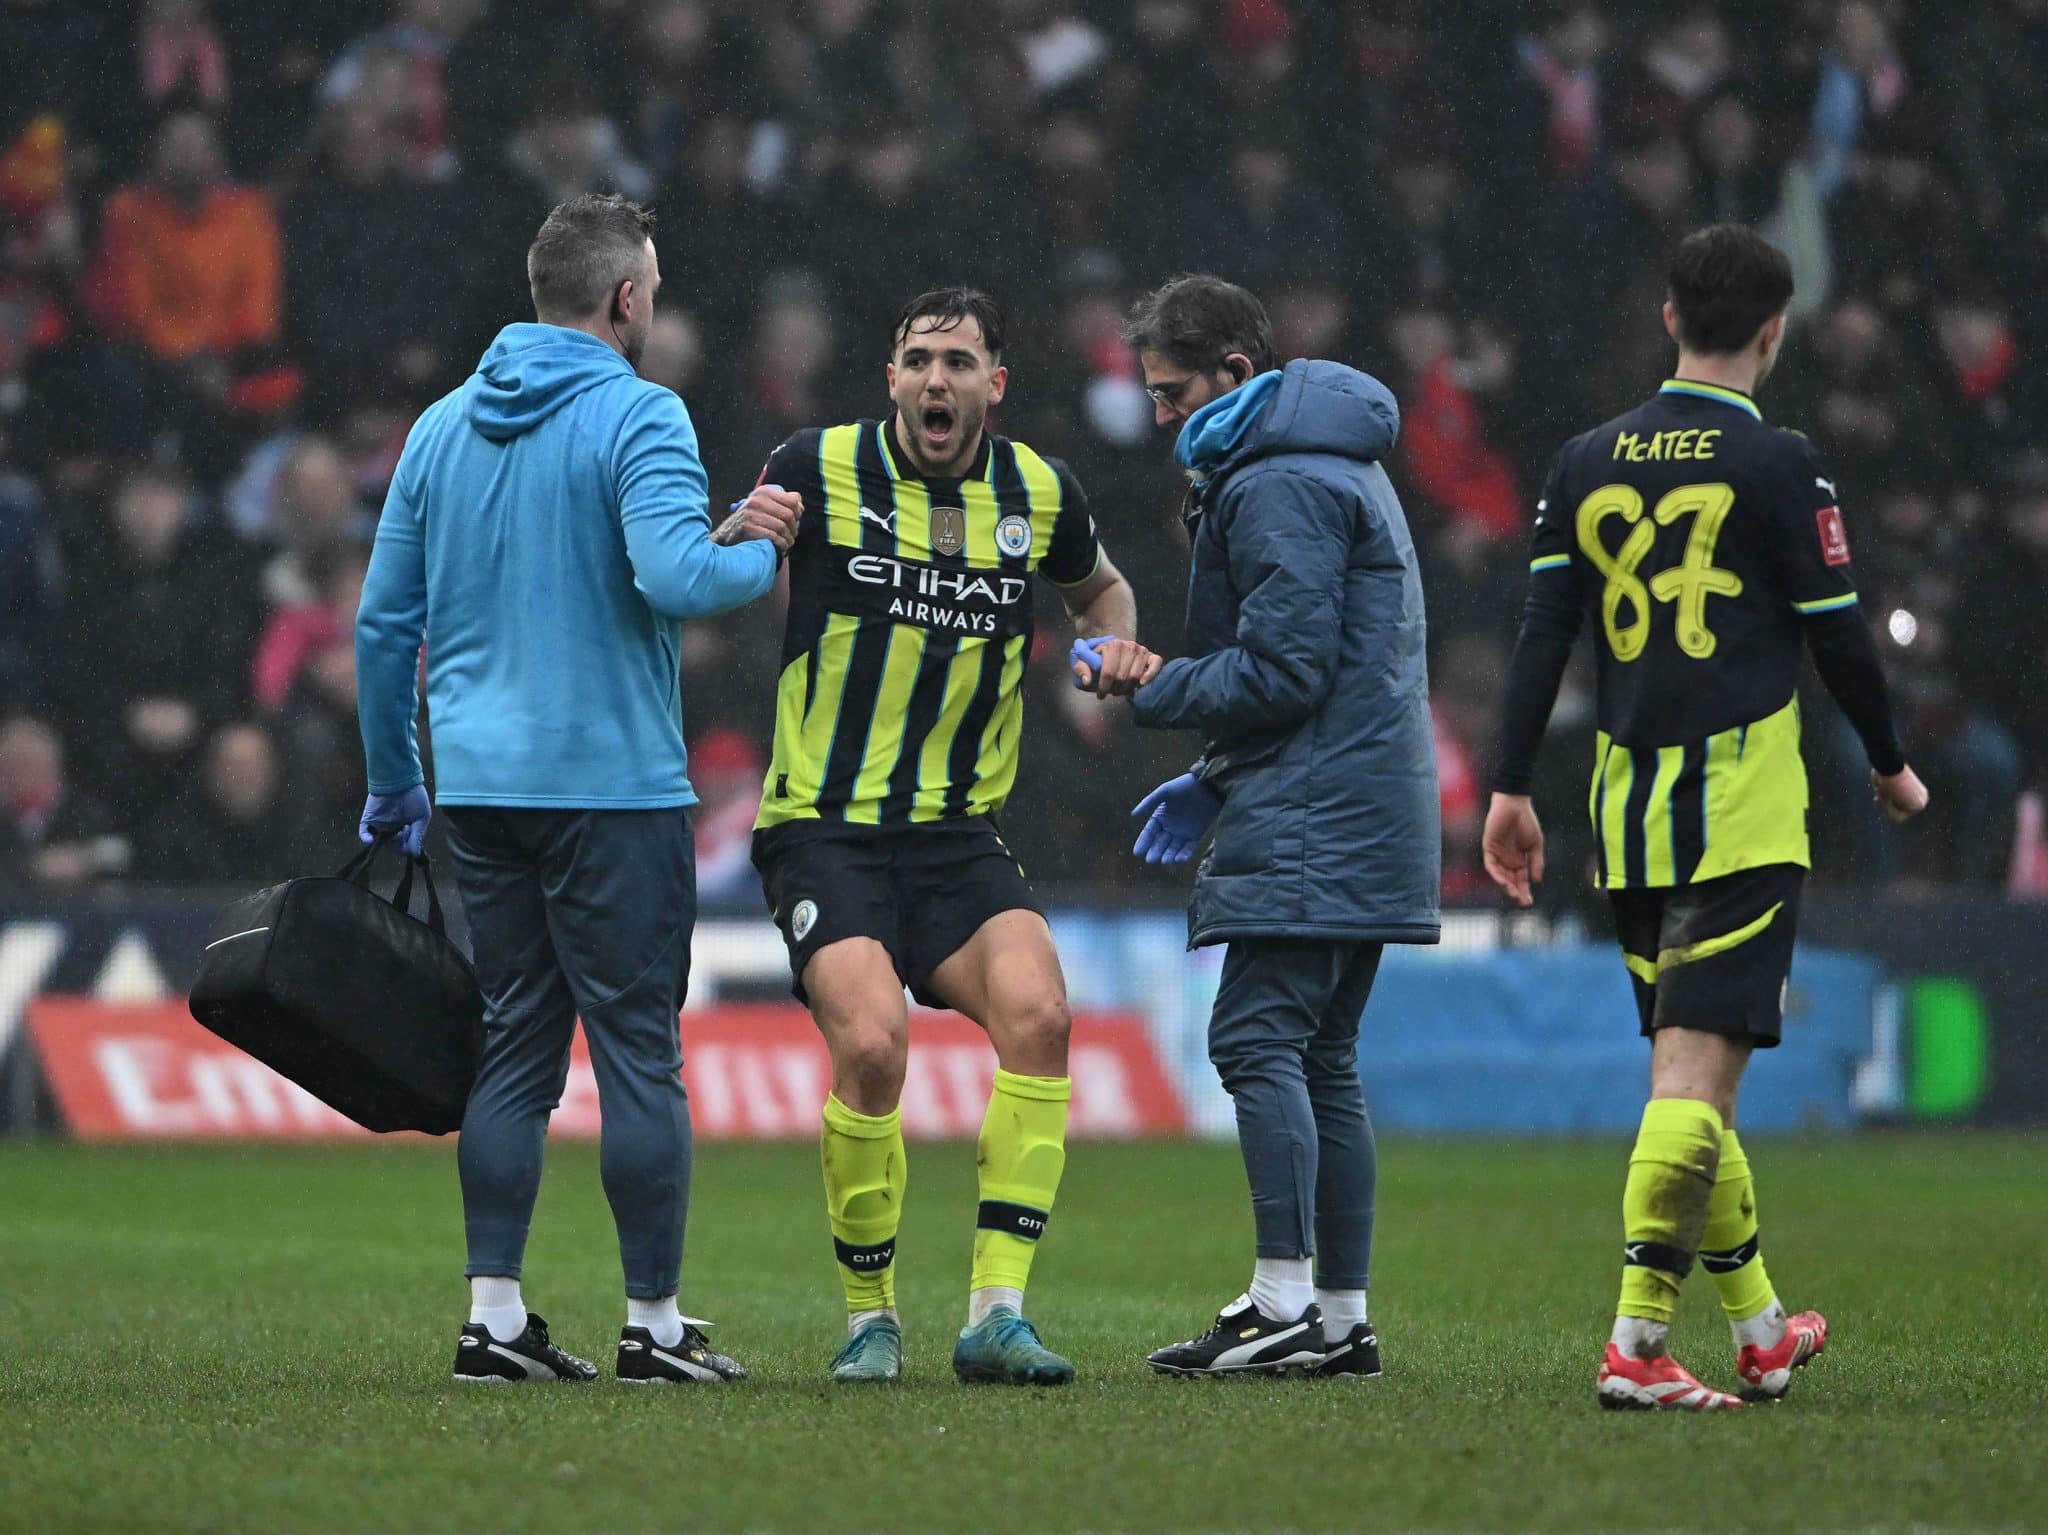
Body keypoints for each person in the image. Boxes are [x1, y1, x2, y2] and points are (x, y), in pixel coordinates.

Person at [1481, 223, 1929, 1411]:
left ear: (1668, 317)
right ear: (1773, 331)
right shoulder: (1780, 464)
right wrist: (1888, 763)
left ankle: (1762, 1327)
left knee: (1694, 1083)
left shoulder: (1582, 459)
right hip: (1735, 809)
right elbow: (1836, 630)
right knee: (1689, 1086)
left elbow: (1540, 636)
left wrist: (1508, 784)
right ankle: (1633, 1344)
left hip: (1626, 810)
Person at [355, 193, 799, 1386]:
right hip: (610, 786)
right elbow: (675, 579)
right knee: (638, 1056)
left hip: (482, 789)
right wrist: (760, 543)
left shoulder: (442, 427)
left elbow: (383, 621)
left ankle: (492, 1318)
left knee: (511, 1056)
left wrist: (396, 781)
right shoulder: (638, 411)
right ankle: (653, 1324)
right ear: (625, 300)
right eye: (650, 287)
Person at [747, 286, 1158, 1386]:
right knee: (874, 1042)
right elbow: (718, 572)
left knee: (1042, 1014)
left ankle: (994, 1313)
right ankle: (869, 1315)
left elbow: (1102, 592)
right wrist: (736, 543)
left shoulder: (1037, 491)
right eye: (919, 359)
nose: (938, 380)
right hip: (821, 828)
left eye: (959, 363)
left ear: (994, 384)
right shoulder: (815, 462)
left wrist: (1105, 649)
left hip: (953, 835)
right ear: (889, 377)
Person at [1120, 274, 1441, 1378]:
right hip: (1365, 795)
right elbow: (1333, 665)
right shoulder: (1337, 461)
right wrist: (1215, 776)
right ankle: (1339, 1316)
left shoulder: (1275, 483)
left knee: (1255, 1040)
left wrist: (1151, 685)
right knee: (1325, 1057)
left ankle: (1281, 1301)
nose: (1162, 417)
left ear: (1235, 375)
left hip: (1315, 809)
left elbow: (1283, 668)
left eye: (1172, 393)